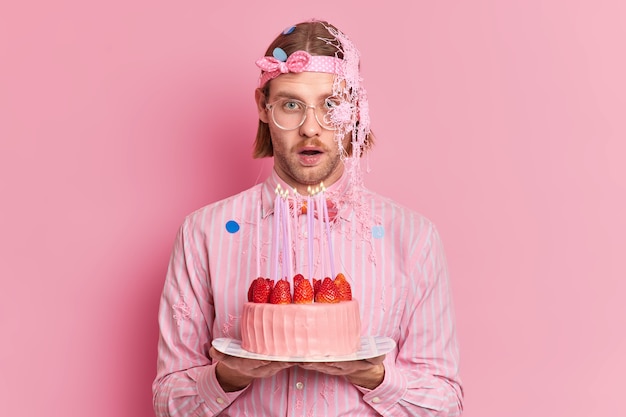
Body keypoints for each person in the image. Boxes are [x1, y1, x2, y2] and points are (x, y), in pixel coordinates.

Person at [153, 19, 463, 416]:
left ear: (354, 111)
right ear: (263, 108)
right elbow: (166, 402)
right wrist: (227, 378)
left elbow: (446, 406)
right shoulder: (205, 233)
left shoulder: (413, 237)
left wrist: (376, 377)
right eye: (291, 104)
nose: (310, 128)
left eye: (331, 104)